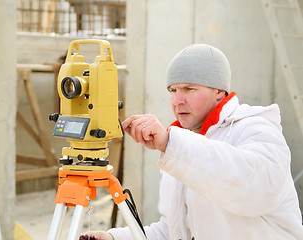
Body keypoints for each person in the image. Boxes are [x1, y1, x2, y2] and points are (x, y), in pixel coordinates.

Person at [82, 44, 303, 239]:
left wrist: (171, 144)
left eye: (189, 89)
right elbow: (174, 232)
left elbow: (254, 188)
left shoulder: (255, 128)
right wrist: (113, 238)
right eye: (173, 90)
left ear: (219, 91)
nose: (178, 100)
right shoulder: (182, 144)